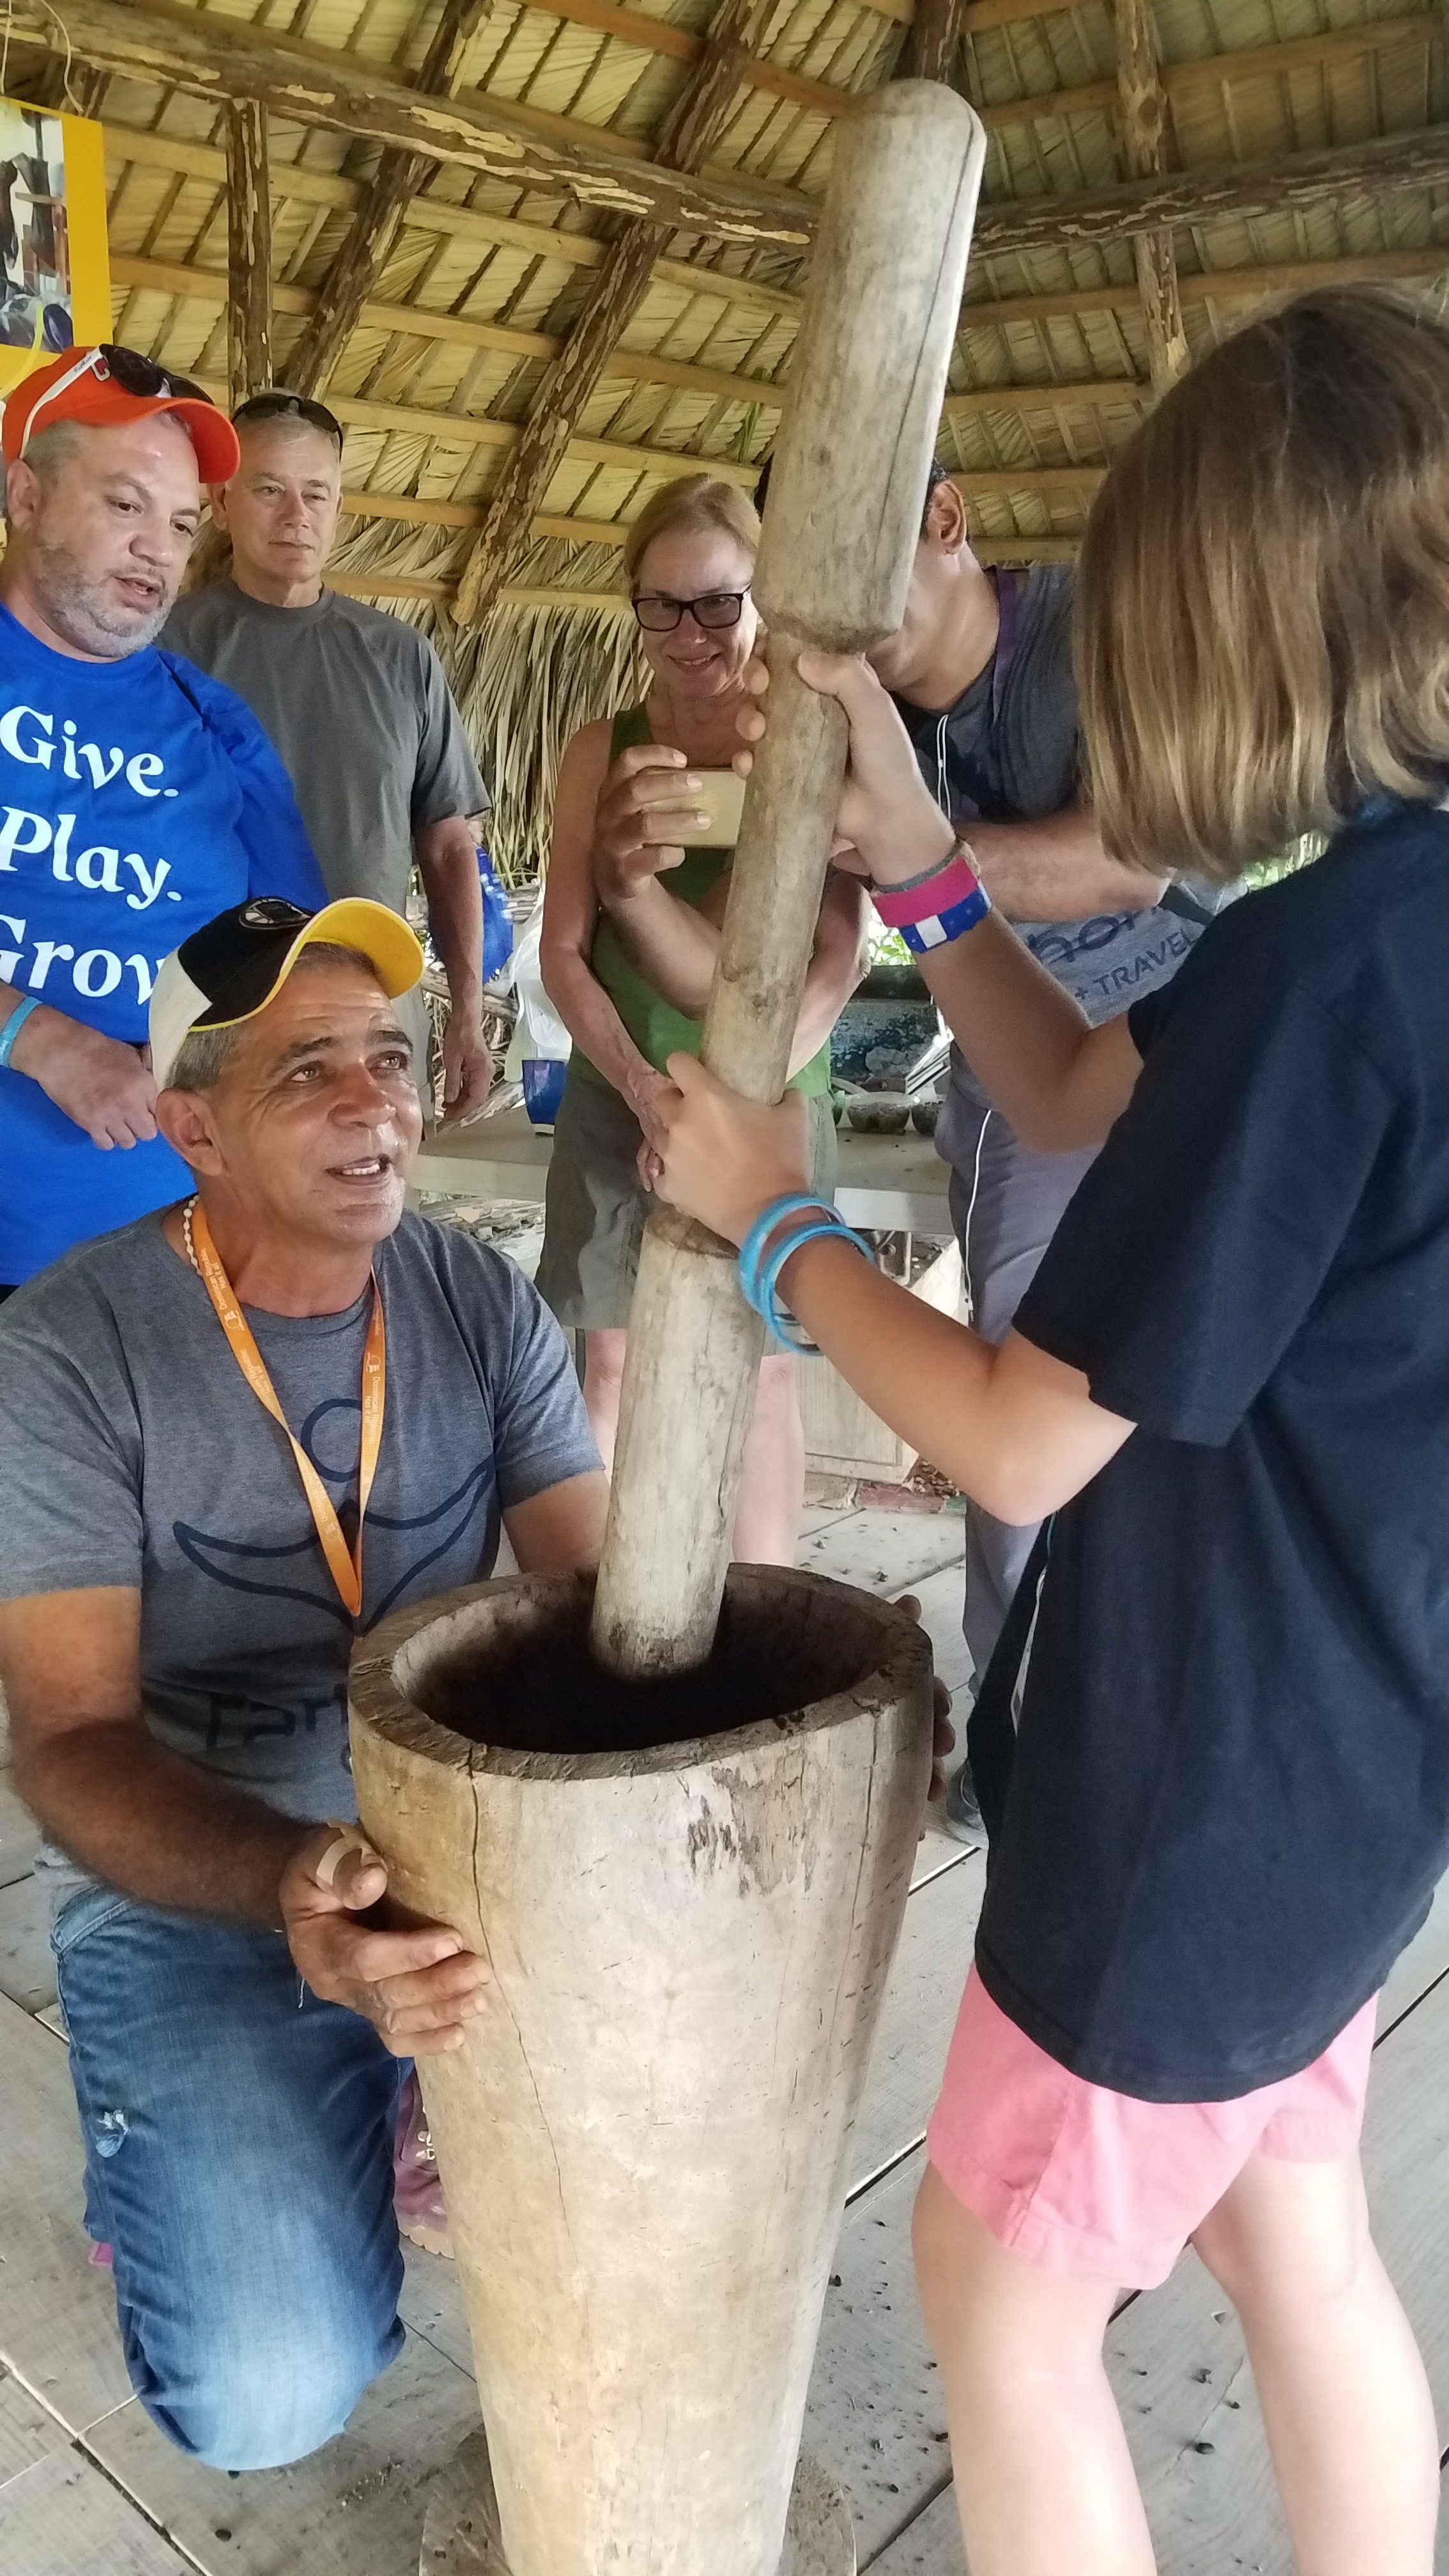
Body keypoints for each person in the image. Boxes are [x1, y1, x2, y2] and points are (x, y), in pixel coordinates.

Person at [656, 287, 1447, 2576]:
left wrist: (780, 1229)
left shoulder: (1326, 980)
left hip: (1193, 1790)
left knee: (1000, 2289)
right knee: (1291, 2228)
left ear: (1241, 634)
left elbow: (1016, 1446)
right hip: (1351, 1771)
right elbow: (1090, 1085)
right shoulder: (1374, 924)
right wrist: (920, 864)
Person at [0, 897, 606, 2471]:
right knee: (262, 2404)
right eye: (306, 1071)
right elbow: (66, 1743)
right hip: (210, 1870)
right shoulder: (72, 1351)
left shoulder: (475, 1299)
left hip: (475, 1850)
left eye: (390, 1060)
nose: (375, 1104)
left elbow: (597, 1602)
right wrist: (290, 1888)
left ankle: (368, 2094)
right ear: (191, 1125)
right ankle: (215, 2139)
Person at [764, 457, 1222, 1830]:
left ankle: (1031, 1746)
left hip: (1139, 1012)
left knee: (1021, 1400)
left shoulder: (1086, 634)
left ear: (950, 521)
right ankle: (1049, 1721)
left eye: (863, 562)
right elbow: (851, 913)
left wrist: (915, 850)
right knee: (1048, 1390)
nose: (842, 615)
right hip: (1002, 1038)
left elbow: (1139, 858)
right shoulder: (873, 704)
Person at [537, 473, 866, 1561]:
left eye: (719, 603)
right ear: (632, 606)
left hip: (766, 1098)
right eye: (663, 605)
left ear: (761, 600)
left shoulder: (804, 738)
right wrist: (638, 1087)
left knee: (761, 1363)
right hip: (617, 1093)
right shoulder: (603, 746)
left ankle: (764, 1612)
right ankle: (597, 1610)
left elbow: (839, 948)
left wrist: (751, 1095)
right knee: (612, 1360)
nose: (691, 633)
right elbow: (562, 953)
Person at [0, 345, 326, 1294]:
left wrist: (219, 1033)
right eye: (125, 505)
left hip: (176, 1269)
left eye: (183, 523)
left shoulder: (214, 723)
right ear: (24, 497)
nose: (160, 549)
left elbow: (290, 942)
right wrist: (41, 1039)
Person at [164, 390, 493, 1121]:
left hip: (370, 1007)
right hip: (218, 1008)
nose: (296, 514)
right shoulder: (168, 650)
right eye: (269, 490)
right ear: (223, 502)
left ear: (339, 505)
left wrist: (466, 1012)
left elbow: (446, 848)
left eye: (316, 492)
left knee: (366, 1213)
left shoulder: (400, 657)